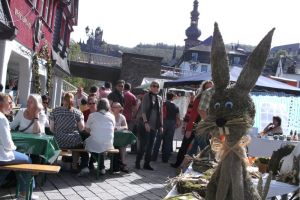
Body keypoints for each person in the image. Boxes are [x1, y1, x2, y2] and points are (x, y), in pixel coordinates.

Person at [0, 93, 39, 200]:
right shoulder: (2, 119)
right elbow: (8, 145)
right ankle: (25, 193)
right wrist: (15, 148)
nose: (12, 105)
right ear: (1, 104)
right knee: (27, 160)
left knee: (9, 167)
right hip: (1, 155)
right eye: (9, 103)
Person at [171, 81, 213, 168]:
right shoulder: (199, 99)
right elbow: (192, 115)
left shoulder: (211, 100)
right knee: (186, 146)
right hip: (195, 125)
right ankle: (179, 164)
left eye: (211, 88)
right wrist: (188, 129)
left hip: (202, 127)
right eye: (207, 88)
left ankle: (185, 165)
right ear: (204, 89)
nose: (209, 90)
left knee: (196, 147)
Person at [49, 93, 88, 173]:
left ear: (63, 100)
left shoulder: (55, 111)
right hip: (73, 141)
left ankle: (54, 164)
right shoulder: (78, 112)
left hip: (58, 140)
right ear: (73, 101)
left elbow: (51, 128)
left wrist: (58, 133)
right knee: (79, 144)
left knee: (54, 142)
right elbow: (81, 129)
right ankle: (74, 165)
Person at [135, 81, 163, 170]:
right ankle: (137, 162)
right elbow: (143, 111)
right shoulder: (147, 96)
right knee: (143, 145)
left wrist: (161, 125)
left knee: (151, 145)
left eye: (157, 86)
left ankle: (147, 163)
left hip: (155, 125)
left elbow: (161, 113)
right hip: (145, 124)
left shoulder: (160, 98)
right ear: (150, 87)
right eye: (153, 86)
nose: (155, 88)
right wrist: (146, 122)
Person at [85, 98, 115, 175]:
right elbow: (113, 128)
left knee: (87, 143)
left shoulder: (92, 115)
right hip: (109, 143)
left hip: (98, 142)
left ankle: (86, 165)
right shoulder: (112, 116)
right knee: (98, 144)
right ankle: (99, 166)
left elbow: (87, 130)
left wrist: (94, 129)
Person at [152, 92, 180, 163]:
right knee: (168, 142)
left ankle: (154, 157)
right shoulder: (175, 106)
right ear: (172, 97)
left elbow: (158, 114)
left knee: (158, 140)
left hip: (163, 122)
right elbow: (178, 117)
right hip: (172, 124)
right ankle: (165, 159)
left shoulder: (163, 104)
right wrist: (177, 124)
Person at [111, 102, 129, 173]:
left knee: (123, 145)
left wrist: (116, 128)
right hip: (110, 138)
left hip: (118, 138)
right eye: (114, 107)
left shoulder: (122, 117)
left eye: (118, 107)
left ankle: (123, 163)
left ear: (120, 108)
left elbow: (126, 127)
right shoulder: (110, 116)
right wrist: (119, 128)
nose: (116, 108)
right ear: (112, 108)